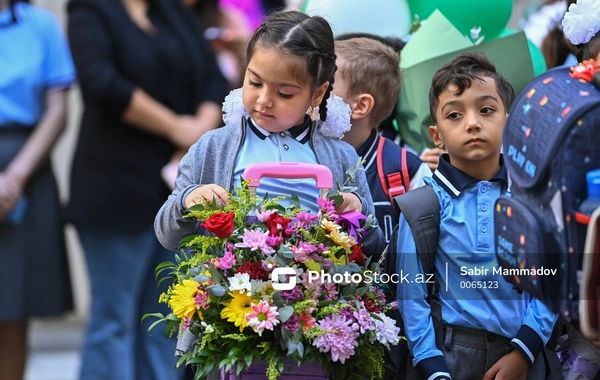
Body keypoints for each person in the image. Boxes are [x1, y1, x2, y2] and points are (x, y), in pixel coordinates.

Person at [65, 0, 228, 378]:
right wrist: (175, 127)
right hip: (114, 190)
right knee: (114, 319)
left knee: (167, 319)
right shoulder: (90, 10)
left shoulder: (171, 11)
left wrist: (198, 134)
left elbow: (213, 79)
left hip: (175, 192)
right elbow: (101, 83)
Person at [154, 10, 385, 259]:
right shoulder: (213, 147)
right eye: (254, 83)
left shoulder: (342, 157)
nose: (264, 100)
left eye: (284, 93)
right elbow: (167, 235)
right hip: (235, 294)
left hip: (316, 291)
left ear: (317, 94)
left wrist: (356, 214)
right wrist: (187, 201)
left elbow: (373, 247)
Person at [396, 52, 558, 380]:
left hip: (524, 356)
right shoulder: (422, 205)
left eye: (486, 110)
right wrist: (432, 366)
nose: (472, 123)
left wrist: (523, 351)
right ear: (437, 136)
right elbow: (411, 296)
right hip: (450, 357)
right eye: (454, 115)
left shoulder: (535, 197)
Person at [0, 0, 75, 379]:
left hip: (26, 170)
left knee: (12, 310)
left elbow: (57, 110)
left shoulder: (42, 26)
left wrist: (13, 177)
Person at [332, 37, 431, 244]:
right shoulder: (300, 154)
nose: (311, 90)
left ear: (360, 106)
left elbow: (422, 255)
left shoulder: (408, 171)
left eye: (326, 83)